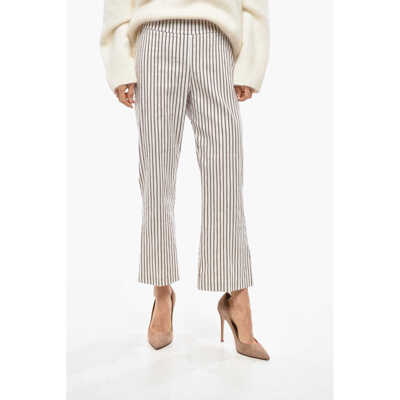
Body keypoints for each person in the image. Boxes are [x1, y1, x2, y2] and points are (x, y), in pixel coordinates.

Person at [100, 0, 270, 360]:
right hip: (155, 37)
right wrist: (120, 62)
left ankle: (237, 297)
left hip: (216, 39)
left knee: (226, 173)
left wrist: (250, 62)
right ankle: (162, 292)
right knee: (156, 176)